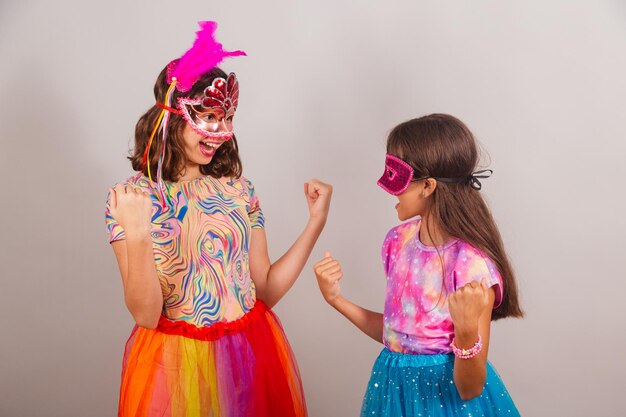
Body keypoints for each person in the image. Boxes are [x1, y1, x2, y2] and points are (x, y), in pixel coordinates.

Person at [105, 21, 331, 417]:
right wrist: (138, 232)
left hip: (249, 354)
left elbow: (265, 290)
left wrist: (315, 221)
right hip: (176, 366)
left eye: (227, 118)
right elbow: (145, 314)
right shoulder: (132, 198)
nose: (220, 132)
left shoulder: (238, 190)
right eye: (207, 117)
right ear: (172, 115)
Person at [314, 113, 522, 416]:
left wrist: (466, 331)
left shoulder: (471, 268)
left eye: (396, 176)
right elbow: (398, 335)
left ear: (427, 187)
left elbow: (470, 388)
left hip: (443, 402)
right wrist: (336, 299)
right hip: (392, 393)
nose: (387, 186)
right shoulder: (397, 242)